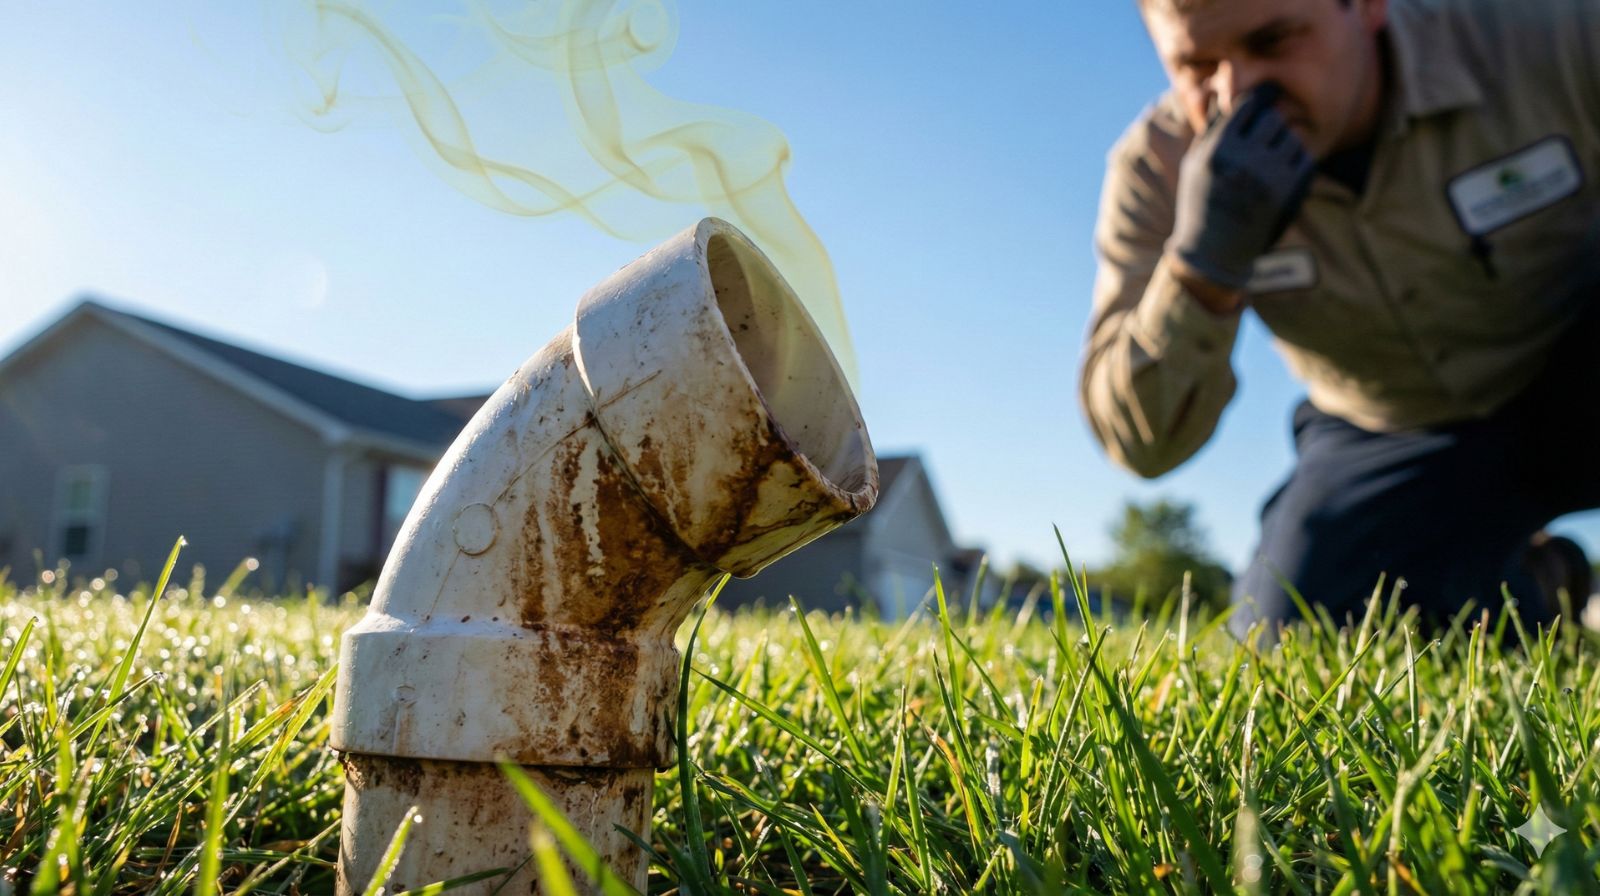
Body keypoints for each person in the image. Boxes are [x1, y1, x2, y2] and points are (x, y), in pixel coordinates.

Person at [1080, 0, 1600, 641]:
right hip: (1387, 425)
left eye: (1273, 40)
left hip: (1569, 365)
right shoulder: (1156, 171)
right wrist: (1200, 272)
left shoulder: (1549, 35)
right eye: (1198, 66)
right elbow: (1140, 444)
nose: (1237, 95)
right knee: (1292, 631)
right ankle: (1540, 580)